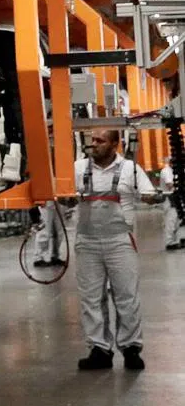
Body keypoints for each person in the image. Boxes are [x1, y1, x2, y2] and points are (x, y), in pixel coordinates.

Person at [72, 128, 158, 371]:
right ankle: (99, 349)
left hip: (120, 240)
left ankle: (131, 348)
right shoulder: (78, 168)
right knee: (91, 298)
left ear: (114, 144)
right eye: (92, 141)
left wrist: (152, 197)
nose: (94, 145)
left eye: (100, 141)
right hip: (87, 241)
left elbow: (148, 192)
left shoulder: (130, 169)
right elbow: (63, 194)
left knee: (126, 296)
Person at [33, 202, 68, 267]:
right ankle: (39, 258)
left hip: (60, 200)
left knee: (59, 231)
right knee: (44, 230)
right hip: (46, 200)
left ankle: (55, 255)